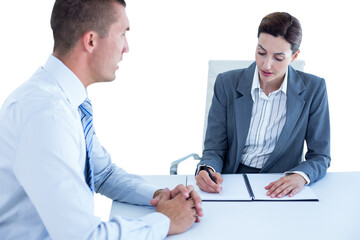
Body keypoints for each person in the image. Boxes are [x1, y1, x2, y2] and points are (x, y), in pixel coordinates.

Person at [0, 0, 203, 239]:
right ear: (91, 41)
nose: (126, 48)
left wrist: (160, 195)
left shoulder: (64, 100)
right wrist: (164, 222)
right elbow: (83, 236)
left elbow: (102, 173)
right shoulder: (47, 115)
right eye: (122, 34)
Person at [195, 12, 330, 198]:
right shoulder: (226, 83)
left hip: (280, 185)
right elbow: (214, 149)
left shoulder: (314, 89)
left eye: (278, 58)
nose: (266, 65)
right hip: (230, 182)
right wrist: (207, 169)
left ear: (294, 56)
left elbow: (320, 156)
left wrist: (301, 176)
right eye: (261, 53)